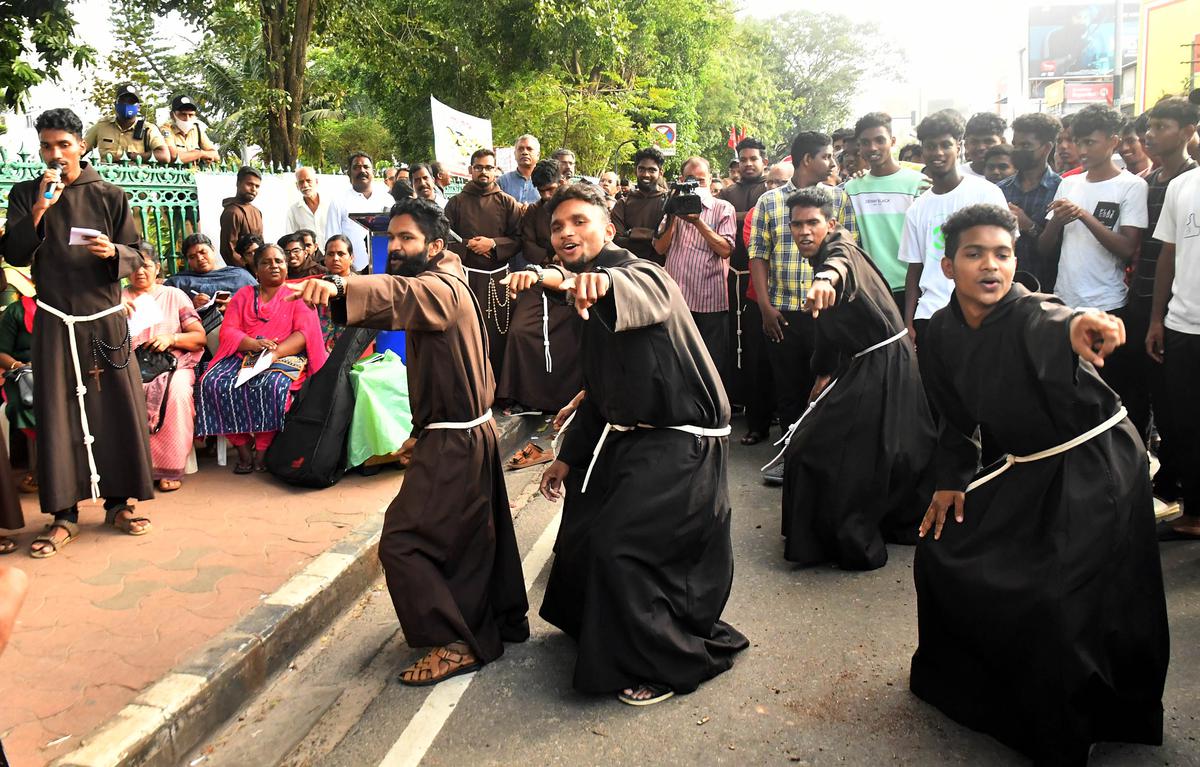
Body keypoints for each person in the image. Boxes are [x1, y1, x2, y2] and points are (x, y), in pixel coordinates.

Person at [911, 203, 1168, 766]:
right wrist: (951, 481)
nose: (991, 266)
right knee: (943, 552)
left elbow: (1054, 318)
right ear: (948, 265)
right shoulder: (939, 334)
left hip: (1093, 460)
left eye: (1003, 254)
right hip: (1030, 462)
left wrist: (1082, 322)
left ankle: (1072, 723)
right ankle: (980, 693)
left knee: (1057, 592)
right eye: (974, 253)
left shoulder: (1028, 312)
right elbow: (953, 420)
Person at [508, 183, 747, 705]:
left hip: (682, 444)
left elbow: (628, 288)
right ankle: (602, 633)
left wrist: (563, 278)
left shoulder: (642, 273)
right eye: (557, 226)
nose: (567, 231)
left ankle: (664, 661)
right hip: (634, 439)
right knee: (581, 527)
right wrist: (567, 459)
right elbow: (601, 391)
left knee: (621, 547)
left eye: (579, 220)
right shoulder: (584, 293)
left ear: (608, 228)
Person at [288, 196, 530, 687]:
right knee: (469, 538)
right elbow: (399, 297)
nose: (394, 247)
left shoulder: (440, 288)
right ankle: (496, 620)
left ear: (435, 245)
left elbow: (399, 295)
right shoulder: (444, 275)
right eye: (390, 238)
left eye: (406, 239)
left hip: (457, 441)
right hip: (456, 433)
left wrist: (339, 283)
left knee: (403, 541)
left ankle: (457, 642)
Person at [2, 107, 154, 558]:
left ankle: (119, 503)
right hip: (53, 320)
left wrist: (115, 252)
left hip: (103, 319)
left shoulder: (109, 194)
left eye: (63, 145)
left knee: (115, 407)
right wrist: (38, 211)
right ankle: (64, 514)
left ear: (81, 146)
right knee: (58, 412)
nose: (55, 154)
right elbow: (13, 251)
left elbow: (138, 250)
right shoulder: (27, 193)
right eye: (47, 146)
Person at [771, 187, 934, 569]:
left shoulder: (838, 253)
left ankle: (849, 539)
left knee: (825, 450)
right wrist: (823, 372)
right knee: (876, 446)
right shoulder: (832, 249)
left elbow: (837, 269)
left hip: (883, 363)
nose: (804, 231)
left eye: (812, 223)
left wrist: (826, 281)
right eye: (797, 224)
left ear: (830, 224)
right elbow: (827, 329)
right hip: (871, 361)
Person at [749, 130, 858, 483]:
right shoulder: (769, 201)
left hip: (826, 313)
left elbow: (849, 252)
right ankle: (788, 457)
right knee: (789, 389)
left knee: (827, 387)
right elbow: (758, 256)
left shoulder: (838, 201)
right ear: (808, 159)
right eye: (827, 156)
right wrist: (765, 307)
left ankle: (823, 458)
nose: (833, 163)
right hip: (782, 313)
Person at [1039, 103, 1149, 438]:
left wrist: (1084, 216)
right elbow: (1045, 249)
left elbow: (1127, 248)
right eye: (1078, 142)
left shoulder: (1130, 186)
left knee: (1110, 391)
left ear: (1113, 141)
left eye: (1091, 142)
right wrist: (1057, 221)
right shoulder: (1068, 184)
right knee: (1069, 390)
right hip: (1065, 303)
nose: (1082, 150)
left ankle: (1125, 459)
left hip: (1107, 304)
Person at [196, 244, 327, 472]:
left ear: (286, 266)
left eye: (279, 261)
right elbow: (229, 331)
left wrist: (274, 353)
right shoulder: (243, 295)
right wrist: (254, 345)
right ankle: (244, 447)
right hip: (242, 354)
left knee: (271, 386)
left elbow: (303, 334)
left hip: (284, 356)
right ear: (256, 269)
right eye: (266, 262)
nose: (274, 266)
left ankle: (264, 450)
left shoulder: (296, 296)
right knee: (213, 383)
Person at [901, 110, 1007, 350]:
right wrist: (909, 322)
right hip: (930, 316)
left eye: (945, 145)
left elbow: (1004, 256)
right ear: (923, 151)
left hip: (981, 314)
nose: (938, 153)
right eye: (930, 146)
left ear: (958, 147)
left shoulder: (986, 194)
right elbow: (914, 270)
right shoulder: (917, 208)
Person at [1141, 96, 1199, 506]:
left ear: (1187, 131)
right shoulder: (1176, 186)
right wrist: (1157, 318)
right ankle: (1187, 503)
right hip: (1178, 322)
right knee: (1179, 419)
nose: (1151, 134)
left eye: (1163, 125)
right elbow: (1167, 255)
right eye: (1152, 125)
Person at [496, 160, 583, 430]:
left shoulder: (577, 207)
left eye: (551, 189)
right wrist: (550, 257)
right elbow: (528, 244)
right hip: (537, 275)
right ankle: (525, 396)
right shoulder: (533, 212)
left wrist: (567, 255)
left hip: (575, 278)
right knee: (521, 330)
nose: (547, 196)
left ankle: (571, 398)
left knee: (574, 333)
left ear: (563, 183)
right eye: (541, 190)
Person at [124, 246, 207, 492]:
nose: (140, 272)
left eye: (146, 266)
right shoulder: (118, 300)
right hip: (129, 365)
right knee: (118, 392)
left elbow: (198, 337)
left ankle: (169, 467)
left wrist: (171, 339)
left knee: (177, 393)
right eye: (134, 267)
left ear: (158, 268)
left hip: (173, 364)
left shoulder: (174, 295)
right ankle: (133, 468)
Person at [443, 147, 524, 380]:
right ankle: (470, 385)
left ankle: (498, 388)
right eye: (478, 167)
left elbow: (519, 240)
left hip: (499, 279)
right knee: (467, 334)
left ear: (496, 170)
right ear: (471, 170)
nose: (483, 172)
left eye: (488, 167)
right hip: (466, 277)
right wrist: (468, 244)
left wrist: (494, 244)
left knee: (499, 335)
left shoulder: (508, 203)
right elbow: (444, 239)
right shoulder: (456, 202)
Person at [653, 156, 736, 377]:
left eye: (700, 180)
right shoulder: (673, 208)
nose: (695, 186)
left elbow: (726, 249)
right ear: (681, 180)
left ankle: (712, 410)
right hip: (677, 299)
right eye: (690, 180)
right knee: (676, 361)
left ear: (710, 180)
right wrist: (672, 213)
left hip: (711, 300)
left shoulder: (723, 208)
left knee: (711, 363)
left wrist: (698, 221)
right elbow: (660, 248)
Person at [844, 112, 928, 307]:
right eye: (865, 142)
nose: (872, 148)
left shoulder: (918, 184)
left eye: (880, 140)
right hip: (871, 288)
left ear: (892, 141)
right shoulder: (852, 188)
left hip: (913, 286)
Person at [719, 137, 770, 440]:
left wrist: (738, 217)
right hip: (730, 277)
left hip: (759, 280)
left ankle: (760, 418)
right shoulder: (727, 192)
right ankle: (732, 405)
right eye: (744, 159)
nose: (748, 164)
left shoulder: (771, 191)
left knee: (756, 350)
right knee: (730, 344)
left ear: (764, 161)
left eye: (754, 159)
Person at [998, 112, 1063, 292]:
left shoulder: (1061, 189)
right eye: (1015, 145)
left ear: (1046, 148)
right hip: (1005, 288)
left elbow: (1061, 247)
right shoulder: (1001, 190)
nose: (1018, 151)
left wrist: (1029, 226)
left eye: (1026, 145)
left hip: (1046, 289)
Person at [165, 233, 257, 341]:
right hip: (199, 343)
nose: (199, 258)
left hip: (245, 337)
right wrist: (190, 306)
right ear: (187, 261)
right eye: (192, 257)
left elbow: (263, 305)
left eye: (203, 252)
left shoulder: (240, 276)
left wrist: (236, 306)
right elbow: (166, 315)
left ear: (213, 249)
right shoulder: (178, 283)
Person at [0, 281, 38, 496]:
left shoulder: (69, 309)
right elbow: (1, 353)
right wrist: (21, 367)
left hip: (60, 373)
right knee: (33, 402)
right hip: (23, 378)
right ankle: (42, 467)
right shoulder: (16, 310)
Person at [325, 152, 391, 272]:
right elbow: (332, 239)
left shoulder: (387, 199)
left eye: (366, 167)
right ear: (349, 173)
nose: (362, 170)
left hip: (384, 269)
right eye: (356, 167)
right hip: (351, 272)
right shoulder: (338, 201)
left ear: (373, 172)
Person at [83, 84, 170, 163]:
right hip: (106, 176)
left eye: (131, 102)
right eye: (123, 101)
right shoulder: (102, 126)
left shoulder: (148, 129)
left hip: (136, 177)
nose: (126, 105)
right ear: (115, 104)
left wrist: (133, 156)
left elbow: (164, 156)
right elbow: (81, 149)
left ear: (139, 107)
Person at [611, 147, 667, 266]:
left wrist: (631, 233)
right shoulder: (622, 204)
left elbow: (667, 242)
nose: (646, 174)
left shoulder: (668, 201)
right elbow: (617, 240)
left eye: (652, 170)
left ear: (661, 172)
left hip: (661, 270)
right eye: (641, 169)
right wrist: (653, 235)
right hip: (627, 268)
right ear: (635, 170)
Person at [220, 166, 264, 269]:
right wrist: (246, 270)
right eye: (249, 184)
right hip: (242, 271)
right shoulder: (232, 212)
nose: (253, 189)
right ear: (238, 183)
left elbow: (261, 243)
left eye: (257, 186)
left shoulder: (257, 212)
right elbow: (228, 249)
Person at [318, 234, 355, 352]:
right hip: (318, 349)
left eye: (341, 254)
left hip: (350, 350)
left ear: (351, 258)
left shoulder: (360, 286)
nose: (335, 258)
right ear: (325, 258)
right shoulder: (317, 284)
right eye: (330, 254)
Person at [160, 95, 219, 166]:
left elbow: (216, 156)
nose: (187, 118)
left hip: (197, 173)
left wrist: (199, 154)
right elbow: (173, 156)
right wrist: (200, 154)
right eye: (183, 114)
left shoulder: (197, 130)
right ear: (172, 115)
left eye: (191, 115)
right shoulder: (166, 130)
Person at [285, 167, 329, 246]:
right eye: (301, 182)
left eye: (308, 181)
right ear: (297, 186)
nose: (305, 185)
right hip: (308, 257)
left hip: (332, 255)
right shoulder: (293, 211)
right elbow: (291, 238)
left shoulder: (330, 205)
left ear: (316, 182)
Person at [960, 112, 1006, 179]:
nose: (981, 147)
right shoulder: (955, 179)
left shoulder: (1014, 179)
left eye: (988, 141)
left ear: (1003, 142)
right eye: (974, 142)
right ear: (966, 145)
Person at [498, 134, 540, 204]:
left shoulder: (546, 180)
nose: (524, 152)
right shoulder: (503, 181)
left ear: (538, 155)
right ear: (515, 154)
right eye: (520, 149)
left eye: (529, 149)